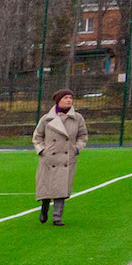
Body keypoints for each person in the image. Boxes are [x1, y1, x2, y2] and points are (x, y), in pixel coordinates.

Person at [30, 89, 86, 225]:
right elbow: (37, 137)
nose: (69, 100)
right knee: (47, 186)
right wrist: (42, 151)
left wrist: (77, 149)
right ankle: (44, 207)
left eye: (70, 98)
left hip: (67, 158)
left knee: (62, 187)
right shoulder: (46, 119)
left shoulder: (77, 118)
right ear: (58, 100)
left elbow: (83, 136)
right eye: (65, 97)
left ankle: (57, 218)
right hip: (49, 158)